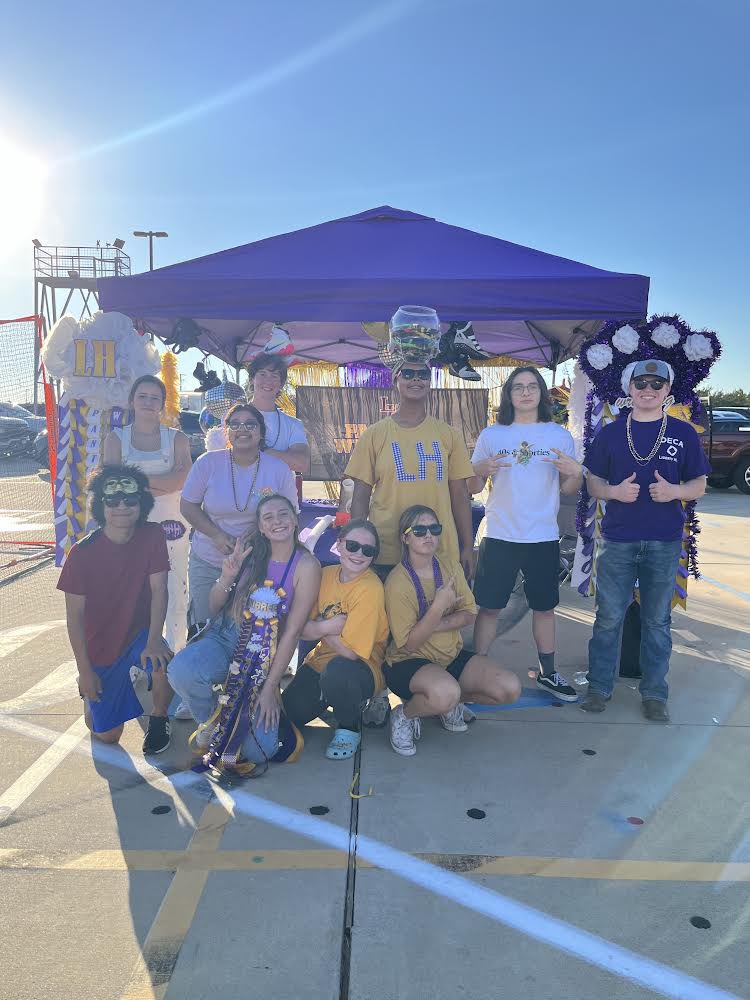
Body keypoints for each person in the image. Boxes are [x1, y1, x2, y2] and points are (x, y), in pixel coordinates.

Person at [580, 359, 710, 721]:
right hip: (619, 540)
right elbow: (592, 482)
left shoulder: (683, 434)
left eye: (657, 383)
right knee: (608, 618)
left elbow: (699, 484)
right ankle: (599, 687)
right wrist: (613, 492)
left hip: (664, 540)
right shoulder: (610, 432)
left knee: (657, 621)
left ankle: (655, 694)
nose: (648, 389)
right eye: (641, 383)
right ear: (629, 388)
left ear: (667, 390)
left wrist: (674, 492)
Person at [168, 494, 321, 775]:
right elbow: (214, 606)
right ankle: (214, 723)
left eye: (283, 514)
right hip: (227, 636)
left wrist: (269, 688)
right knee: (181, 671)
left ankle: (243, 715)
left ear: (295, 519)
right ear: (261, 527)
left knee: (257, 752)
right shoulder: (250, 554)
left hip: (265, 654)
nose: (277, 521)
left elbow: (293, 632)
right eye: (268, 517)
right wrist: (227, 576)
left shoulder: (307, 566)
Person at [470, 365, 582, 701]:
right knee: (489, 607)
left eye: (532, 386)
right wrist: (479, 470)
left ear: (541, 393)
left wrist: (576, 473)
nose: (525, 392)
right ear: (508, 394)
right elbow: (473, 485)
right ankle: (476, 669)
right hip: (499, 533)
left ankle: (548, 672)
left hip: (543, 536)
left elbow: (568, 488)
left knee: (544, 608)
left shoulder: (558, 436)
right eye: (517, 387)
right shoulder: (492, 435)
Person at [384, 505, 521, 757]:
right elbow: (411, 644)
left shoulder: (449, 566)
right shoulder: (397, 582)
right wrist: (439, 607)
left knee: (509, 688)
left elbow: (469, 614)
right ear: (405, 537)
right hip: (408, 662)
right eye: (419, 530)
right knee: (445, 692)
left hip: (449, 656)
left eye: (434, 529)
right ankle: (404, 714)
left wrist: (431, 623)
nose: (428, 536)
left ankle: (446, 704)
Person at [57, 465, 174, 754]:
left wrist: (154, 639)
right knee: (108, 736)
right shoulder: (81, 554)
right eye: (112, 501)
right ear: (100, 505)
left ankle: (159, 718)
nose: (122, 507)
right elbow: (74, 618)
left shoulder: (153, 535)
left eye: (130, 501)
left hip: (139, 634)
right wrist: (85, 670)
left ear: (142, 503)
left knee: (164, 662)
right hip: (101, 648)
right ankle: (88, 694)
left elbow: (160, 589)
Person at [346, 360, 476, 582]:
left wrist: (467, 545)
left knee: (443, 615)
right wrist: (356, 545)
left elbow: (460, 494)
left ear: (430, 382)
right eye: (407, 373)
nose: (416, 379)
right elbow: (360, 496)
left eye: (423, 374)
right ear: (395, 381)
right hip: (387, 551)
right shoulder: (374, 435)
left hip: (438, 548)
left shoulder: (449, 435)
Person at [180, 401, 298, 635]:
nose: (242, 429)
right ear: (227, 431)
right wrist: (216, 535)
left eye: (250, 424)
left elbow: (291, 516)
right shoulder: (208, 463)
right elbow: (187, 505)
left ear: (261, 432)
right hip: (209, 561)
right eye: (235, 424)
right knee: (203, 630)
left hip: (258, 564)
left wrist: (262, 540)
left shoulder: (278, 469)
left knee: (248, 635)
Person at [282, 519, 389, 760]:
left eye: (368, 550)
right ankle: (330, 697)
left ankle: (349, 727)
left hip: (362, 668)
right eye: (352, 545)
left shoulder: (370, 588)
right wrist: (330, 626)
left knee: (339, 673)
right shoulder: (324, 574)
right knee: (291, 712)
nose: (359, 554)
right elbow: (298, 627)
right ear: (339, 544)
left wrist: (318, 627)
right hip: (320, 661)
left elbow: (351, 653)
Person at [103, 374, 192, 653]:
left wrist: (136, 483)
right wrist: (162, 481)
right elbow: (114, 485)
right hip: (129, 526)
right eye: (142, 396)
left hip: (172, 525)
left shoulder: (177, 438)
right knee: (132, 590)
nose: (148, 402)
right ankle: (131, 655)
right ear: (131, 400)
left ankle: (176, 653)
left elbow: (183, 481)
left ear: (163, 404)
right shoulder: (115, 439)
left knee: (176, 589)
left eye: (155, 398)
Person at [246, 354, 310, 473]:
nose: (268, 381)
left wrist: (256, 451)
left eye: (274, 376)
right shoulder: (233, 418)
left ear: (281, 384)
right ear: (251, 379)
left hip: (279, 491)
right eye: (262, 374)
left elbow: (302, 464)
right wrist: (284, 456)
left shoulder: (293, 424)